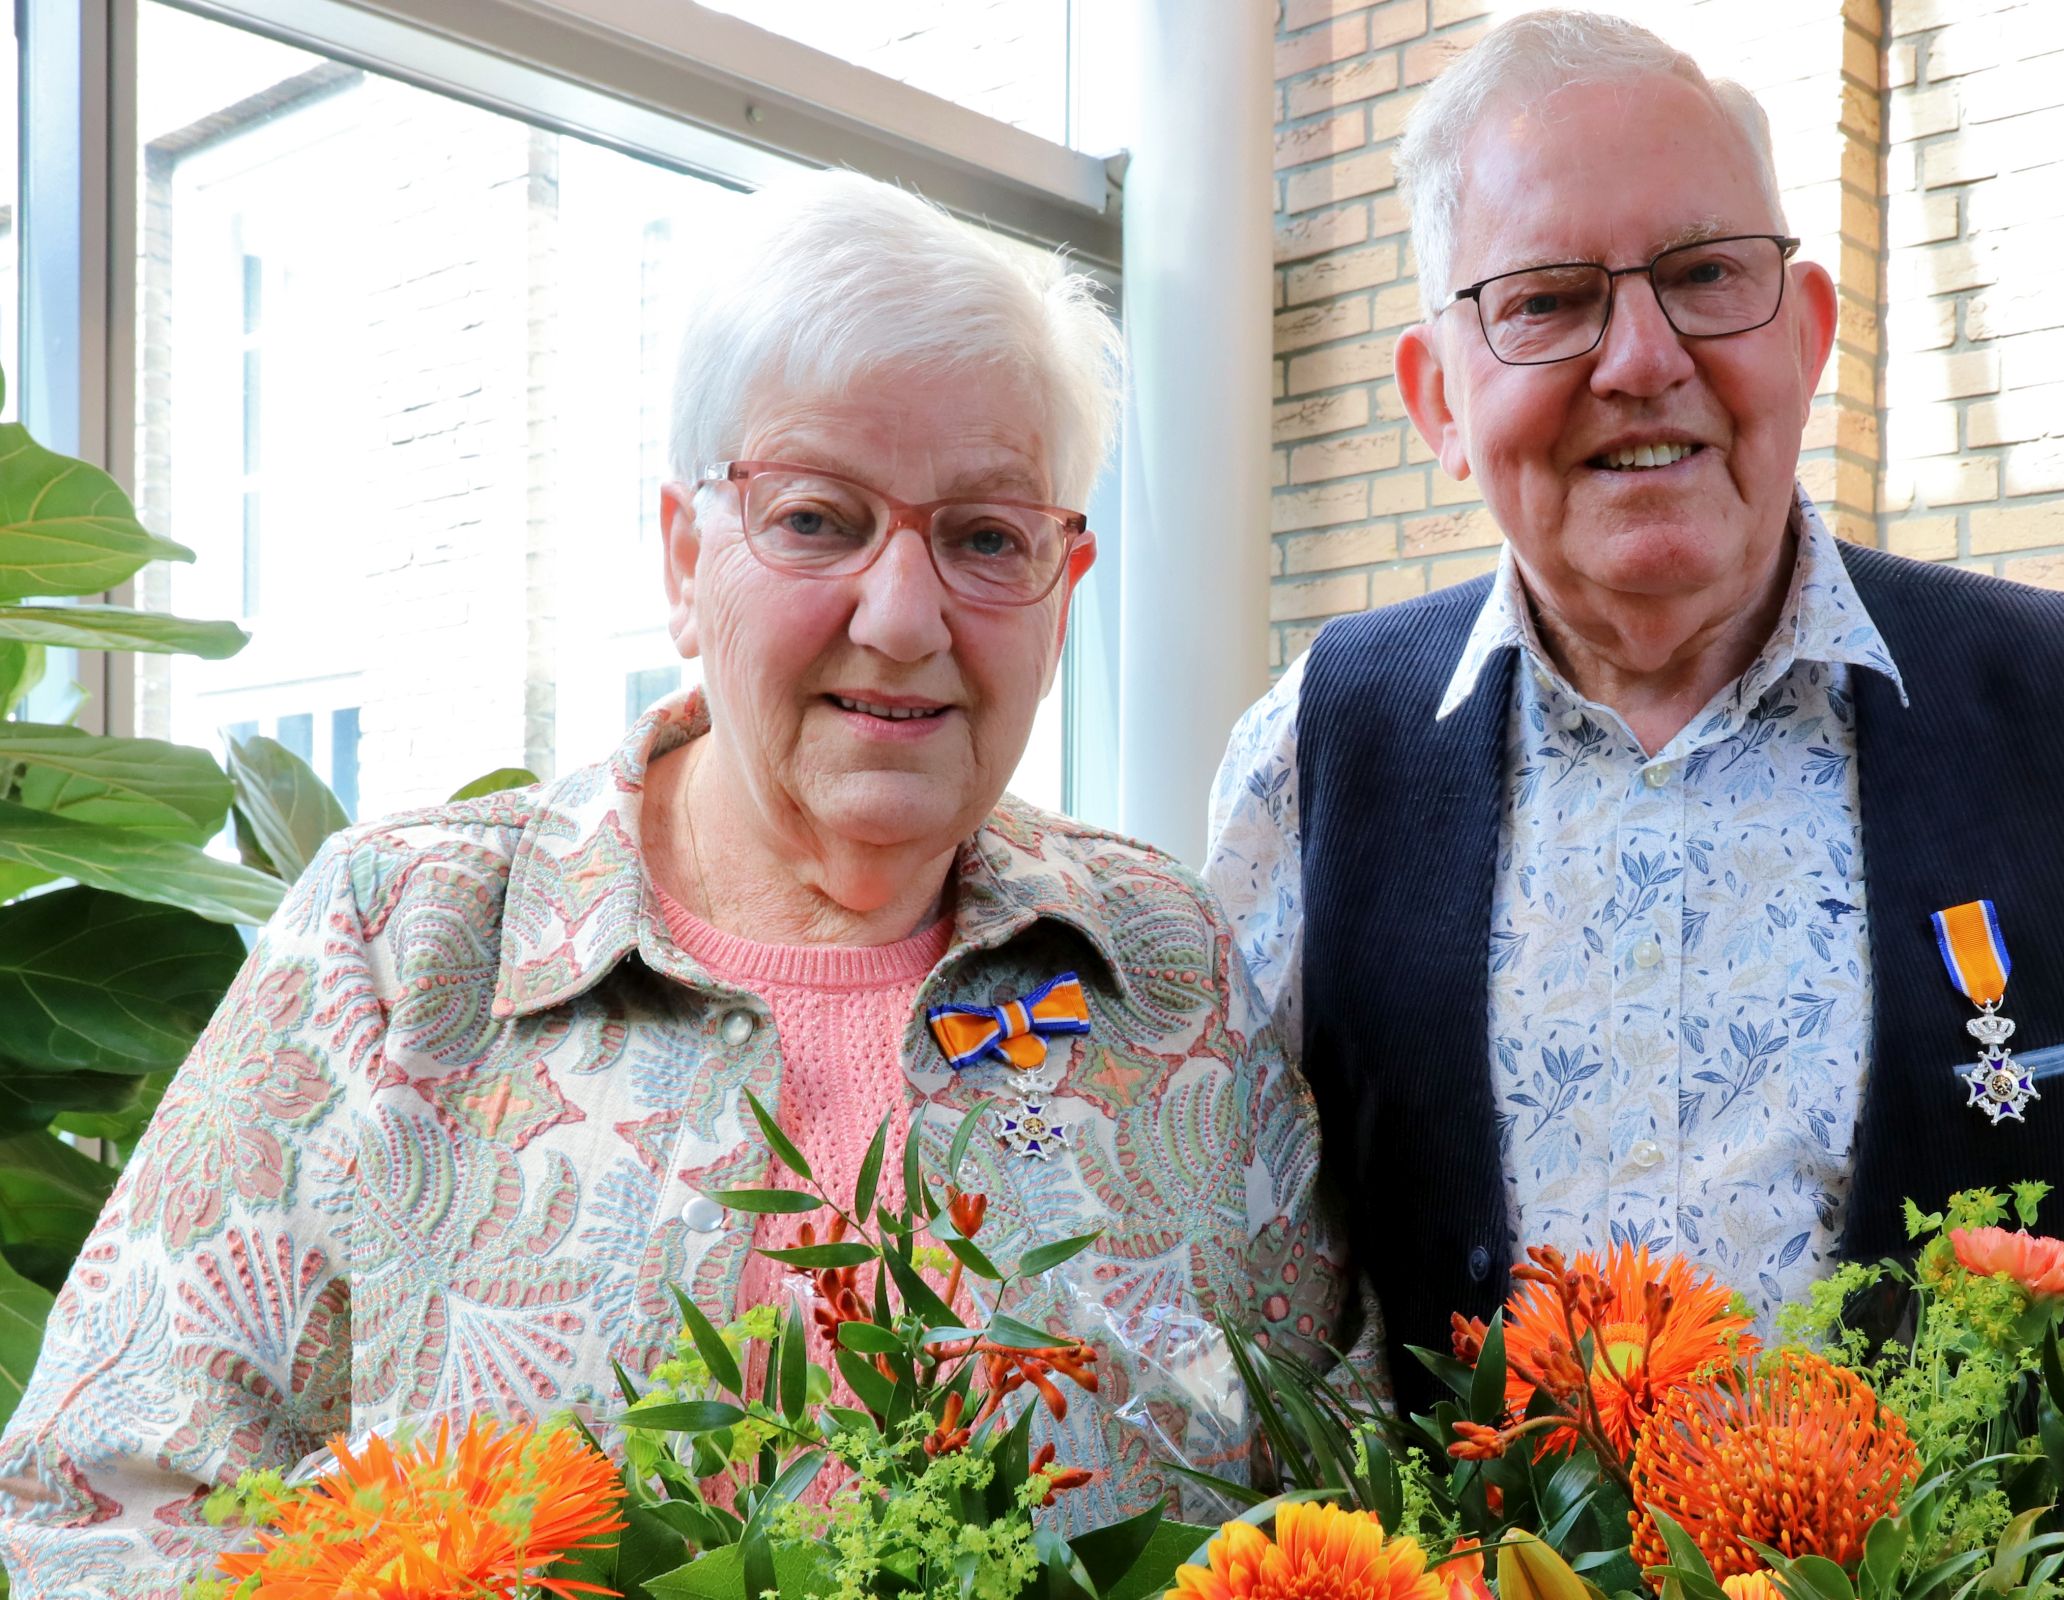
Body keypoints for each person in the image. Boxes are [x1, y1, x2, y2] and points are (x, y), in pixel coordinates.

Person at [0, 170, 1336, 1595]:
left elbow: (1338, 1477)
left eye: (987, 538)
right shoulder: (398, 945)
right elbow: (97, 1509)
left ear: (1063, 590)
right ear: (685, 560)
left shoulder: (1163, 965)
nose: (903, 616)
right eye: (816, 519)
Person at [1206, 9, 2064, 1415]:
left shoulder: (2049, 708)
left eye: (1704, 274)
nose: (1641, 359)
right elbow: (1232, 1327)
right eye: (1547, 299)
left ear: (1808, 336)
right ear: (1438, 399)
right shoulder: (1314, 756)